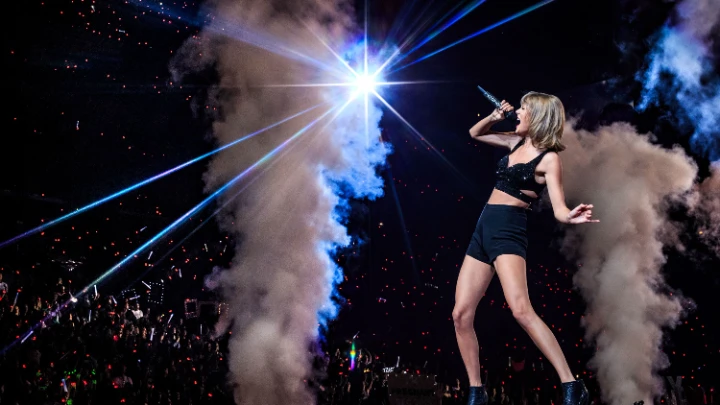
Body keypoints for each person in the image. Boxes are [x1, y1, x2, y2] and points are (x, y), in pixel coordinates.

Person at [453, 92, 598, 405]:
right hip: (483, 228)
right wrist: (494, 116)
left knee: (521, 310)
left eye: (523, 110)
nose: (517, 113)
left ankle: (572, 384)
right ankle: (477, 391)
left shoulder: (549, 159)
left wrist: (570, 216)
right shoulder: (512, 143)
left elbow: (558, 208)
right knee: (460, 314)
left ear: (539, 118)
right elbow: (474, 133)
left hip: (508, 229)